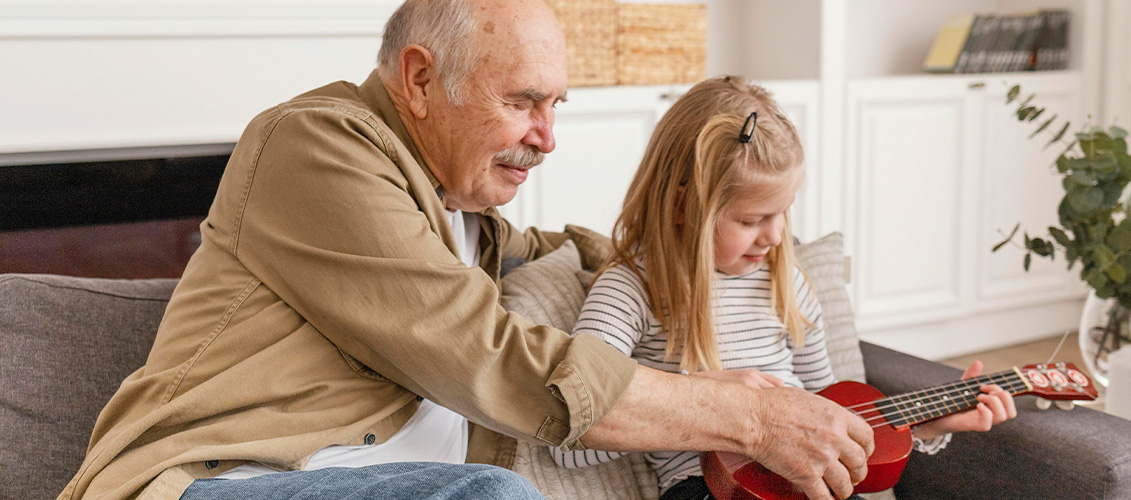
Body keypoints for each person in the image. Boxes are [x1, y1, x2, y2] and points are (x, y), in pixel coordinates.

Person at [58, 2, 874, 500]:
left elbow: (578, 252)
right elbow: (495, 358)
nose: (546, 137)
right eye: (521, 100)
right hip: (231, 485)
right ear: (419, 79)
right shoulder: (315, 145)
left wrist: (687, 246)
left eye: (555, 105)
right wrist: (745, 415)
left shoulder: (466, 226)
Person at [547, 76, 1020, 500]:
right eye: (752, 220)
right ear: (680, 204)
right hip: (711, 489)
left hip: (806, 481)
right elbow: (570, 443)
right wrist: (695, 395)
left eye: (783, 213)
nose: (775, 237)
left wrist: (921, 424)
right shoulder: (629, 290)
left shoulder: (785, 281)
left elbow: (833, 412)